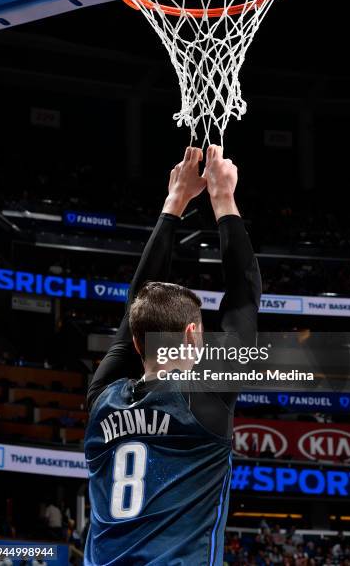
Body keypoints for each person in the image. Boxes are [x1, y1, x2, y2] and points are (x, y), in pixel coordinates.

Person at [85, 145, 261, 565]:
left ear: (138, 342)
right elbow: (243, 299)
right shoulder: (204, 397)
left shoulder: (103, 400)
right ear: (191, 334)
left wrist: (176, 203)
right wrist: (219, 198)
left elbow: (243, 298)